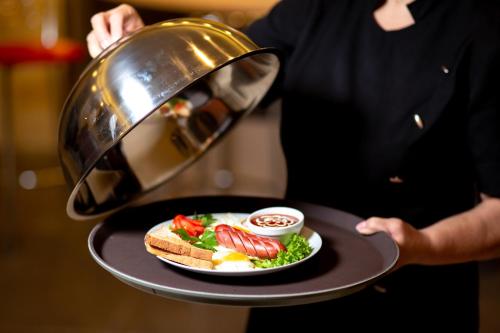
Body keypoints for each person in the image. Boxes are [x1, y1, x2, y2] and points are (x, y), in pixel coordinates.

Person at [87, 1, 500, 332]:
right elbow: (204, 86)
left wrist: (421, 246)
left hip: (414, 298)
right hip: (289, 283)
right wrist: (143, 47)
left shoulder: (483, 29)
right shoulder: (312, 10)